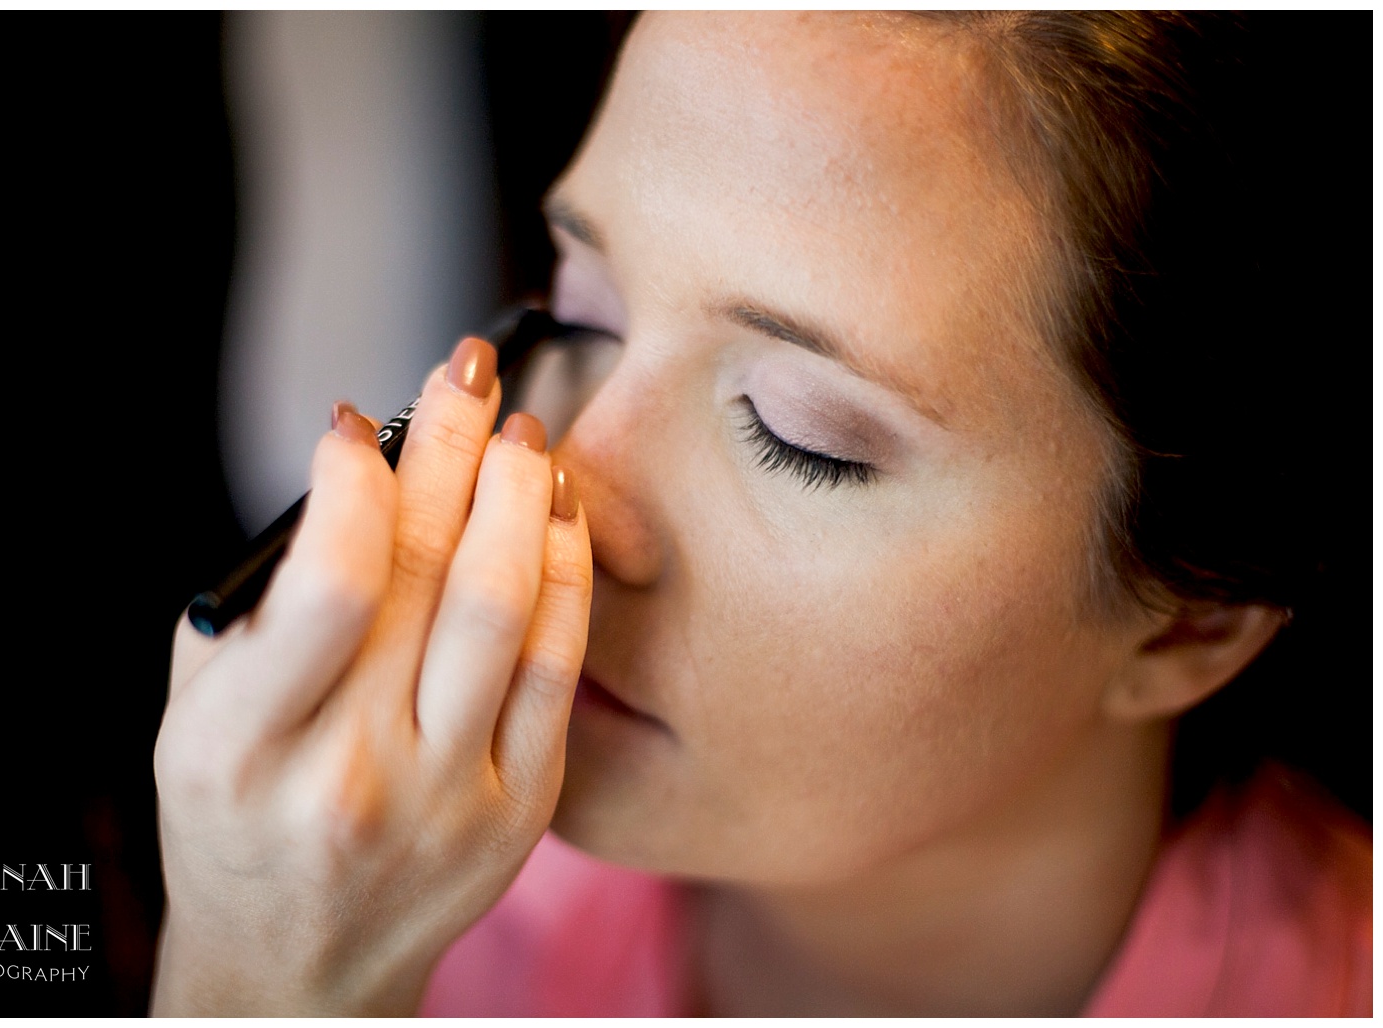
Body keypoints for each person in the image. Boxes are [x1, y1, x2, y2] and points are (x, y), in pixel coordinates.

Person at [149, 11, 1370, 1016]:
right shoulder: (386, 865)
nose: (564, 480)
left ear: (1186, 624)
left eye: (798, 432)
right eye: (585, 313)